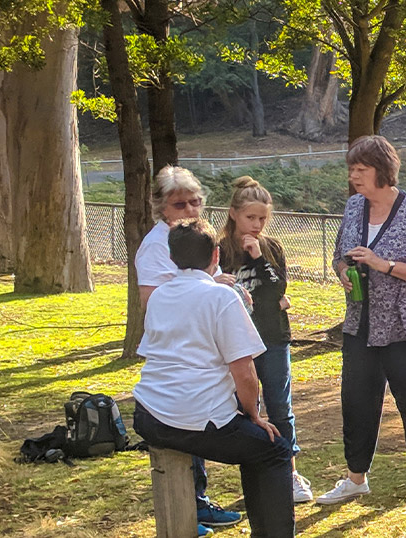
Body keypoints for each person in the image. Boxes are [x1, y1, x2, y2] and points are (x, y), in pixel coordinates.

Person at [132, 219, 295, 538]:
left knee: (256, 448)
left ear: (172, 257)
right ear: (216, 256)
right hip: (196, 421)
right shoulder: (222, 297)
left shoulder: (159, 296)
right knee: (275, 450)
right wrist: (253, 415)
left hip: (148, 415)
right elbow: (245, 373)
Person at [319, 135, 406, 504]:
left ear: (382, 171)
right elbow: (339, 255)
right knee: (356, 401)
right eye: (351, 169)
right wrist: (343, 271)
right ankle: (356, 478)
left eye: (361, 169)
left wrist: (382, 264)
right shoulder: (353, 206)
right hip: (360, 324)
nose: (353, 176)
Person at [132, 166, 243, 533]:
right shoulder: (156, 245)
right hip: (178, 348)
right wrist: (207, 286)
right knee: (186, 421)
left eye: (195, 202)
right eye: (180, 204)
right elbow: (150, 298)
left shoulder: (195, 237)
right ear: (161, 207)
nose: (191, 210)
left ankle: (198, 502)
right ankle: (190, 506)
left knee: (195, 419)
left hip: (199, 345)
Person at [216, 176, 313, 503]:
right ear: (233, 214)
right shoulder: (219, 250)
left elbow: (277, 290)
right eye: (250, 217)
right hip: (236, 342)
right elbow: (214, 295)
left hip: (272, 338)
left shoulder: (271, 248)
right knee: (247, 409)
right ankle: (257, 477)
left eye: (262, 218)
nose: (256, 225)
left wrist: (258, 258)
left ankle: (290, 473)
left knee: (280, 407)